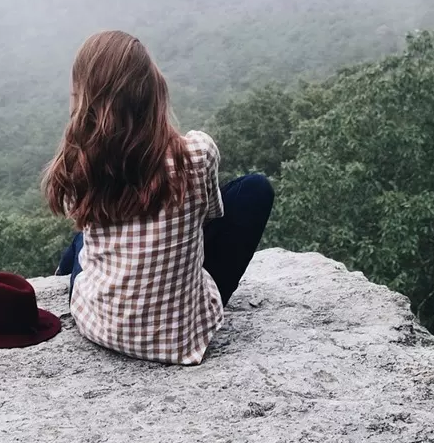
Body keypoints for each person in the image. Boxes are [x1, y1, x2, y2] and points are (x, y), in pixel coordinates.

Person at [44, 30, 274, 365]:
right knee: (255, 189)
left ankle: (62, 273)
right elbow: (210, 216)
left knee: (83, 238)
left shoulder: (81, 165)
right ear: (154, 91)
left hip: (98, 324)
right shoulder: (197, 153)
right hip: (182, 339)